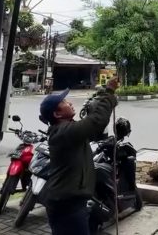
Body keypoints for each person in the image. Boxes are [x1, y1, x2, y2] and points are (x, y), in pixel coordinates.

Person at [38, 78, 119, 235]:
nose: (70, 103)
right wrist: (109, 92)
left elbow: (91, 128)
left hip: (71, 203)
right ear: (57, 114)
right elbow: (96, 121)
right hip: (67, 206)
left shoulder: (67, 129)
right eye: (65, 103)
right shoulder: (64, 133)